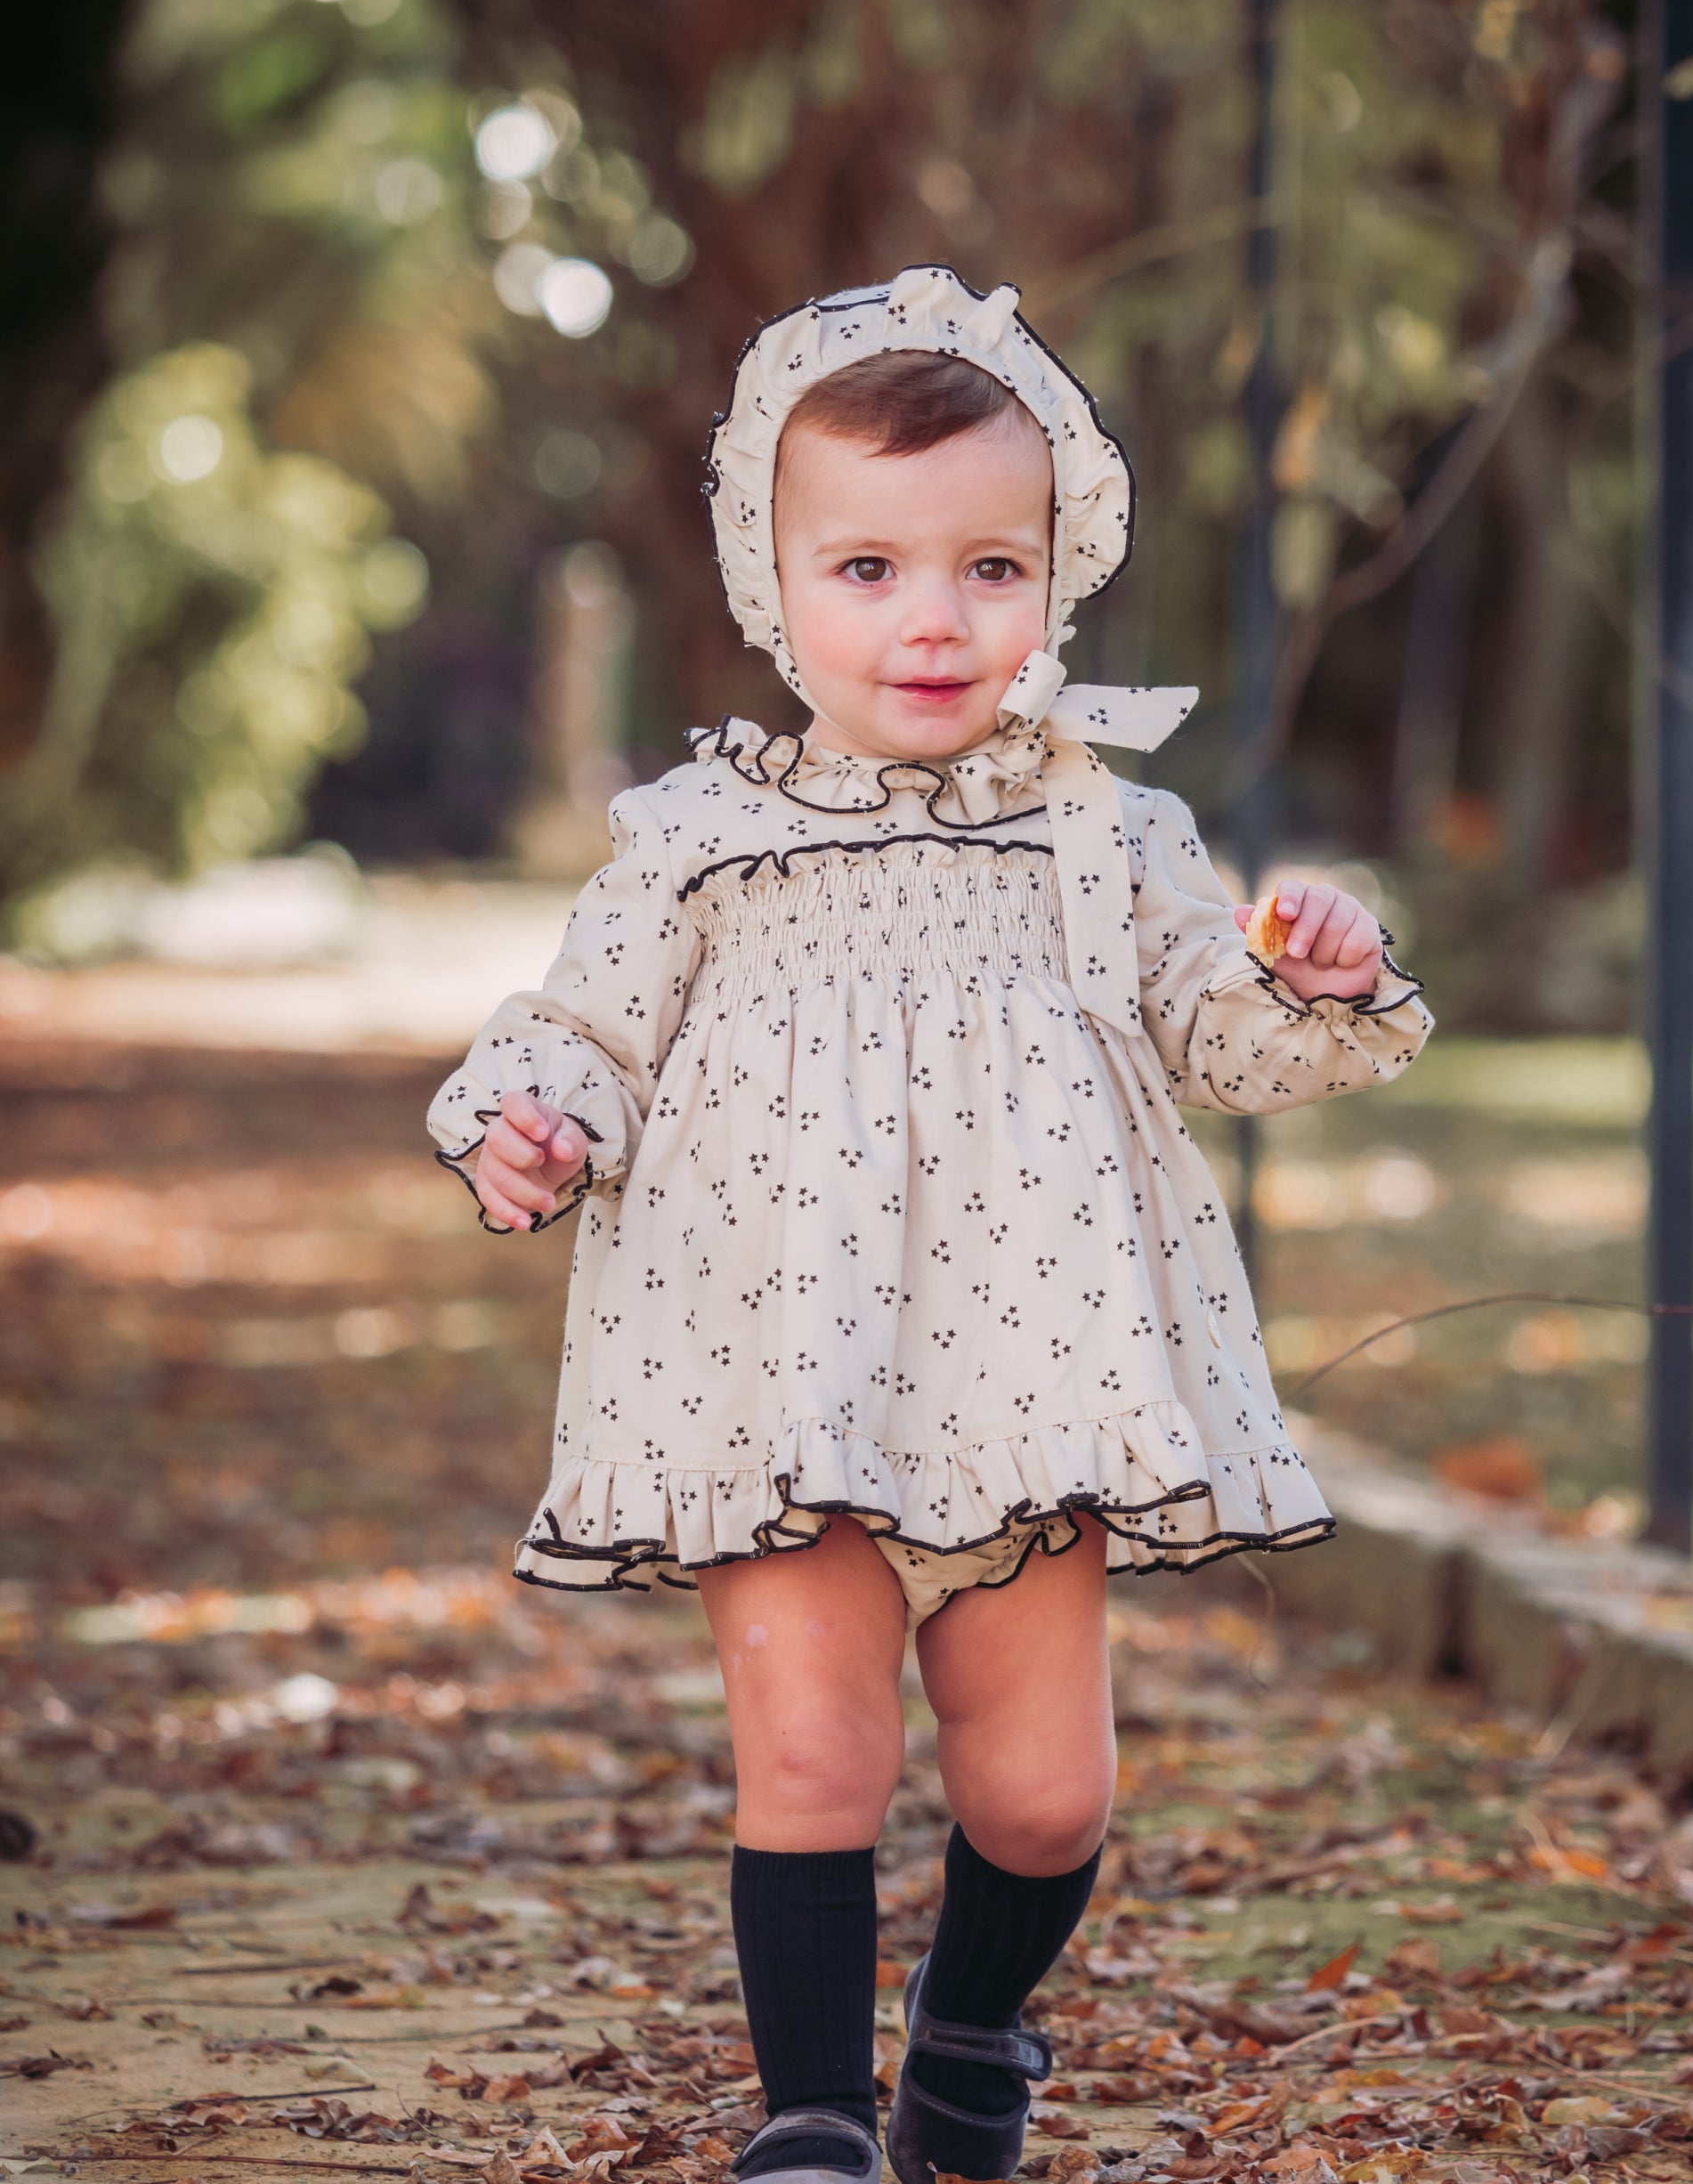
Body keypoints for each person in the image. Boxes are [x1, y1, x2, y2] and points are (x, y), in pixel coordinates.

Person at [427, 265, 1433, 2184]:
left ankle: (968, 2023)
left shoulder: (1103, 833)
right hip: (772, 1364)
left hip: (1023, 1377)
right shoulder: (699, 839)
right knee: (813, 1758)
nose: (933, 616)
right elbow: (584, 1029)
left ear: (1056, 581)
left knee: (1042, 1796)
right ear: (770, 578)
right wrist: (536, 1123)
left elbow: (1219, 1038)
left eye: (990, 565)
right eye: (868, 567)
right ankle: (811, 2120)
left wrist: (1312, 969)